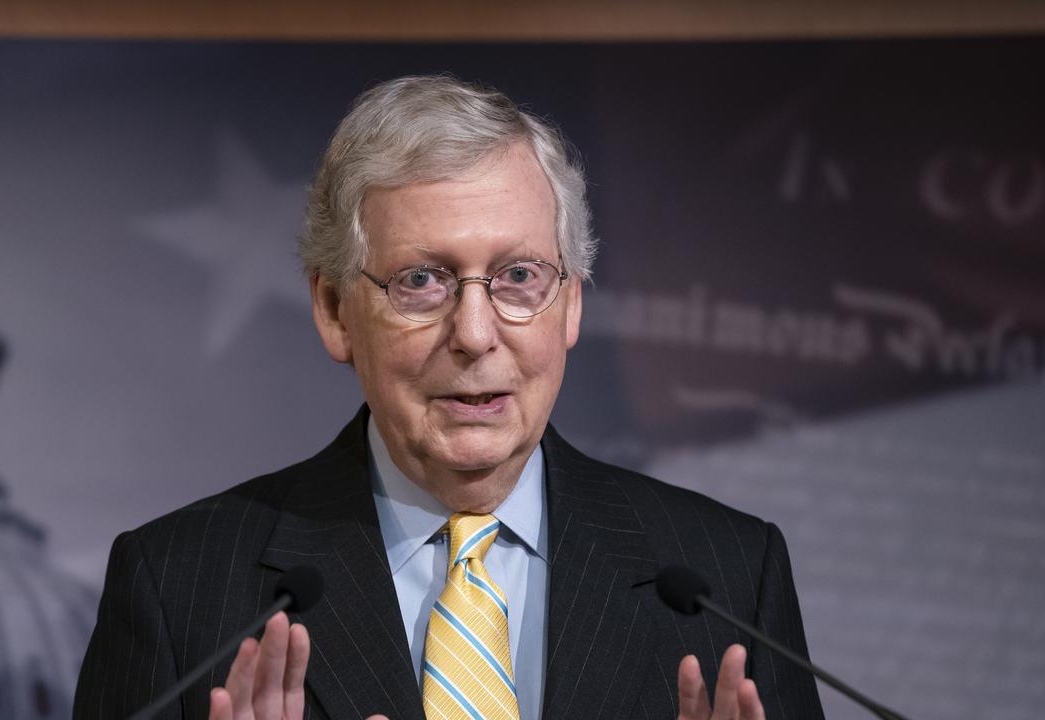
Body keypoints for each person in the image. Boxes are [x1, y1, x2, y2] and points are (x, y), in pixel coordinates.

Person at [73, 75, 824, 720]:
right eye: (421, 281)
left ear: (572, 306)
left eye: (520, 278)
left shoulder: (724, 578)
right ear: (335, 311)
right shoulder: (178, 590)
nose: (473, 334)